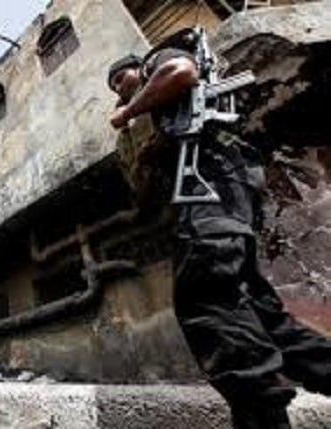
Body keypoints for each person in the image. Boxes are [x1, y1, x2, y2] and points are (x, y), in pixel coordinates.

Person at [108, 39, 331, 429]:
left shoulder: (156, 63)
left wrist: (130, 108)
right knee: (262, 315)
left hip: (210, 189)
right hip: (224, 192)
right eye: (113, 88)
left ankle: (261, 417)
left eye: (119, 79)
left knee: (208, 299)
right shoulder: (157, 113)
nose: (118, 88)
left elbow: (182, 73)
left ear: (137, 67)